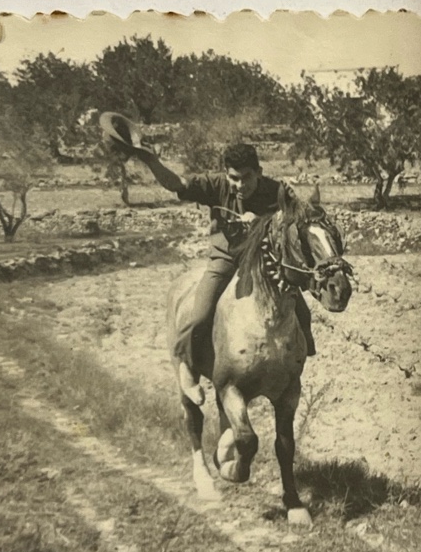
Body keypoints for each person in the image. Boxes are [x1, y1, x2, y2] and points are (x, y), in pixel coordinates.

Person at [133, 142, 316, 404]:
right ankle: (187, 364)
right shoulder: (216, 185)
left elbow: (295, 221)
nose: (240, 185)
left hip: (265, 263)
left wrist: (268, 220)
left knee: (302, 310)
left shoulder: (274, 191)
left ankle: (300, 354)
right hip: (225, 260)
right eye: (234, 178)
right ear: (225, 174)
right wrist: (151, 161)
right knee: (200, 315)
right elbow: (176, 184)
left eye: (246, 178)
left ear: (259, 172)